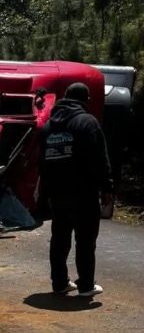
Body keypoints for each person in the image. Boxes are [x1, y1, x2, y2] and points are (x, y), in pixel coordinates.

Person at [39, 82, 113, 297]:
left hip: (58, 193)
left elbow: (41, 163)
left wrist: (45, 192)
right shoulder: (87, 122)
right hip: (84, 191)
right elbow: (99, 158)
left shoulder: (48, 127)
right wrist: (106, 187)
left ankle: (60, 283)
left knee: (60, 238)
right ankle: (86, 285)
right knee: (86, 239)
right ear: (85, 100)